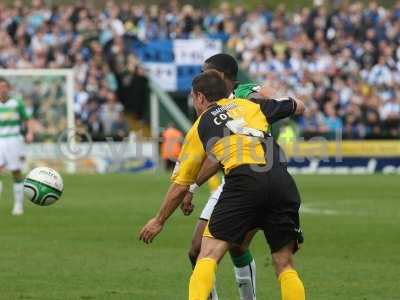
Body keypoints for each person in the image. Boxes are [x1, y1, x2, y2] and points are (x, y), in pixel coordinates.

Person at [139, 70, 306, 300]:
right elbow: (297, 106)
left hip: (244, 181)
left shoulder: (200, 126)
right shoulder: (252, 106)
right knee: (285, 264)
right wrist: (274, 97)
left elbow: (180, 185)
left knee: (207, 254)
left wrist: (158, 221)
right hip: (281, 181)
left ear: (199, 97)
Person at [182, 53, 282, 300]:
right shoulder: (211, 106)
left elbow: (281, 99)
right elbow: (216, 154)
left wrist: (266, 96)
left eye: (208, 72)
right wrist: (193, 186)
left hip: (253, 176)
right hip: (229, 180)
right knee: (196, 249)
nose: (204, 77)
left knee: (237, 245)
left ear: (223, 76)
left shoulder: (245, 95)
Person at [0, 77, 34, 215]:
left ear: (9, 88)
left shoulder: (16, 103)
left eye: (4, 87)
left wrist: (30, 133)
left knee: (16, 171)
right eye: (0, 87)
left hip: (14, 140)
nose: (2, 89)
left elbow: (27, 119)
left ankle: (18, 205)